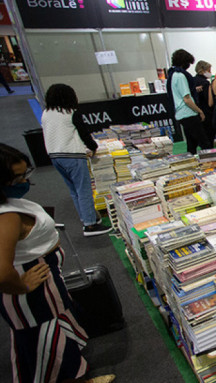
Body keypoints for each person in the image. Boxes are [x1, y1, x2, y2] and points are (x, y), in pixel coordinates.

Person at [0, 143, 116, 383]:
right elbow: (2, 272)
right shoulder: (6, 217)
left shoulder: (9, 206)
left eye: (25, 174)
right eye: (18, 177)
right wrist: (22, 286)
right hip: (31, 294)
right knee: (46, 347)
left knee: (58, 337)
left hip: (44, 283)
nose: (25, 181)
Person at [40, 84, 112, 236]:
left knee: (74, 190)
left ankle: (86, 217)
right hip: (72, 155)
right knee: (84, 189)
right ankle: (90, 225)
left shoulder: (46, 113)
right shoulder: (70, 113)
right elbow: (84, 134)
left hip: (54, 156)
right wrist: (93, 147)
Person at [167, 49, 210, 155]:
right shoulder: (180, 76)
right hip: (188, 113)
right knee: (205, 143)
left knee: (192, 144)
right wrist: (199, 111)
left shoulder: (172, 74)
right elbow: (187, 99)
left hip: (181, 113)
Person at [194, 60, 215, 144]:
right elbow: (209, 102)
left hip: (195, 111)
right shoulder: (205, 83)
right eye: (209, 70)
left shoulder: (192, 80)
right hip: (207, 113)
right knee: (209, 137)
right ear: (202, 70)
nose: (210, 73)